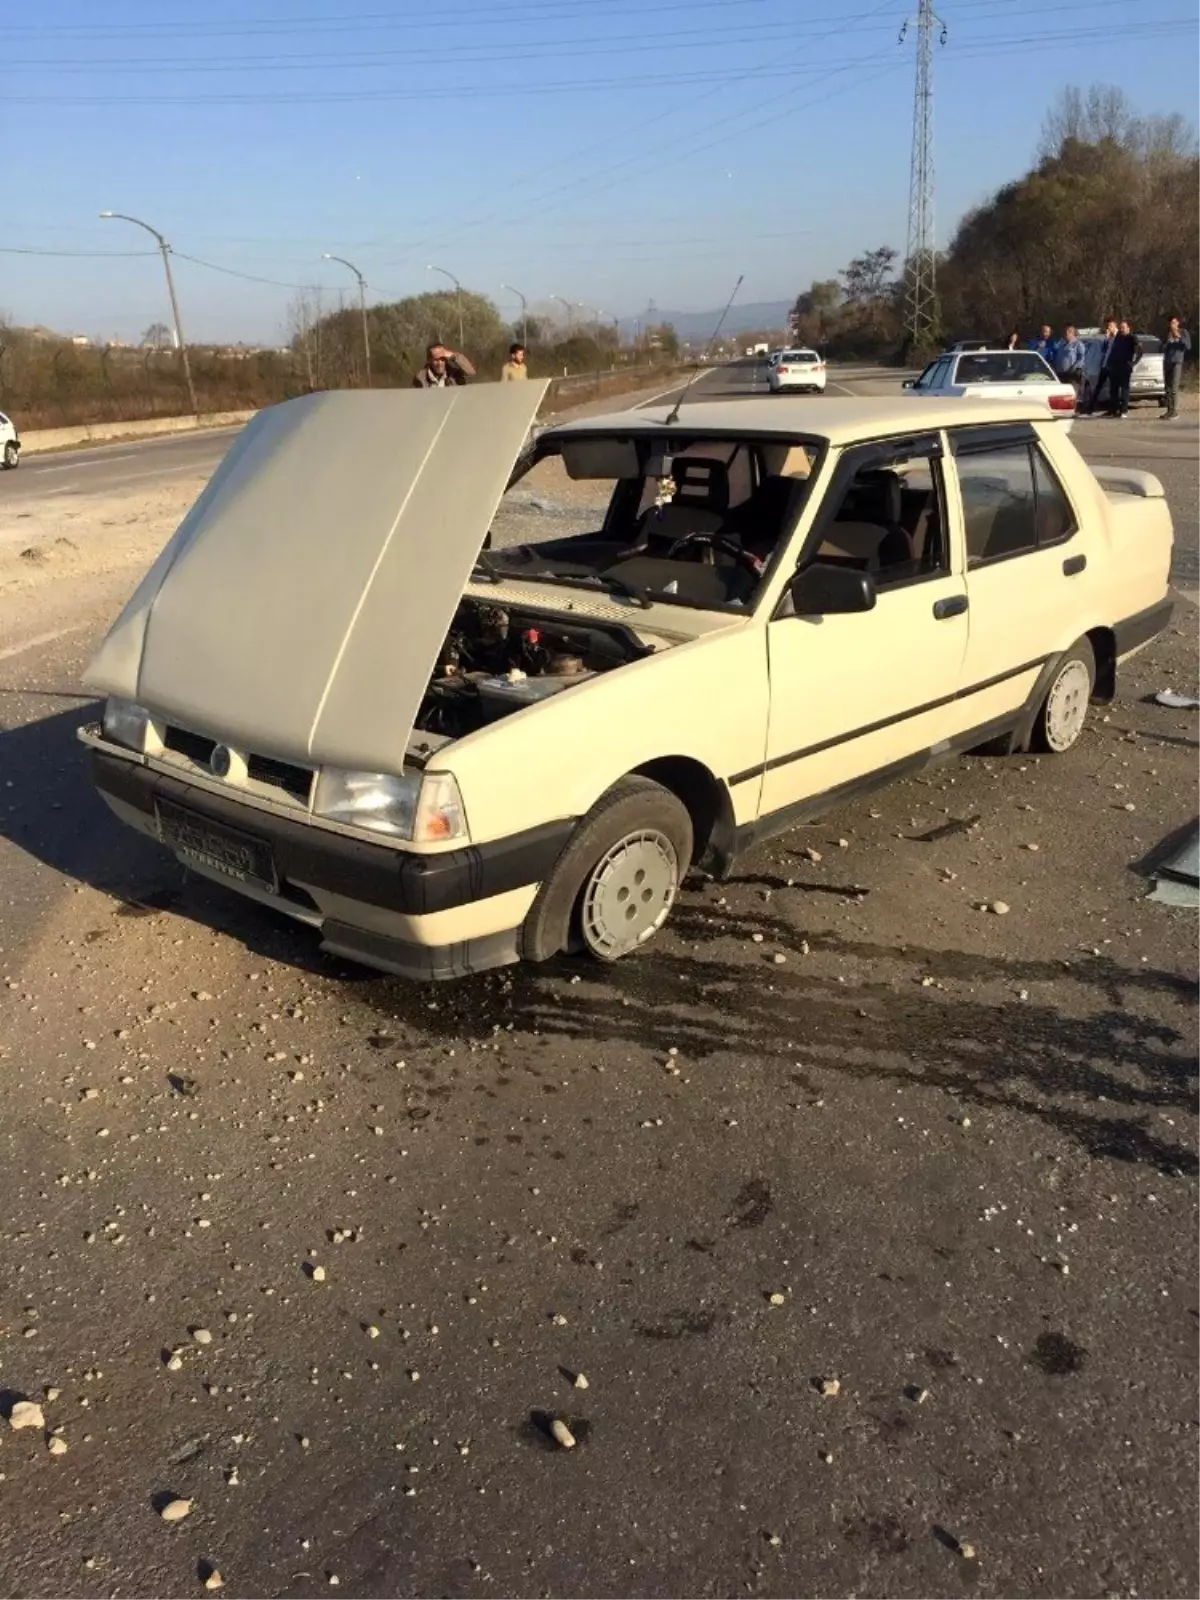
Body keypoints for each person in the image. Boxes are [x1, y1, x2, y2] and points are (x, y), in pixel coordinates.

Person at [1106, 320, 1141, 418]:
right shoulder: (1118, 337)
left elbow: (1140, 351)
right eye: (1121, 327)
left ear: (1128, 328)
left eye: (1124, 327)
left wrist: (1133, 363)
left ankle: (1124, 410)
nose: (1122, 329)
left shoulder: (1132, 338)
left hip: (1125, 367)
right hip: (1115, 366)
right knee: (1113, 389)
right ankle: (1114, 410)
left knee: (1124, 389)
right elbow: (1113, 350)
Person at [1085, 319, 1119, 415]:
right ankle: (1090, 408)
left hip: (1113, 366)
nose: (1109, 328)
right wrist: (1107, 339)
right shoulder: (1109, 337)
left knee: (1113, 388)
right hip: (1105, 365)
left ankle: (1113, 409)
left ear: (1115, 326)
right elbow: (1104, 351)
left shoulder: (1118, 337)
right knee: (1098, 387)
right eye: (1108, 326)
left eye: (1111, 326)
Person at [1162, 316, 1192, 420]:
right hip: (1167, 362)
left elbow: (1188, 346)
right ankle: (1169, 410)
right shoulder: (1167, 333)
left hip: (1177, 362)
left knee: (1174, 388)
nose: (1172, 325)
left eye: (1174, 323)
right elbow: (1162, 347)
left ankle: (1174, 411)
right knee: (1167, 388)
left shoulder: (1183, 332)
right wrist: (1166, 344)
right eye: (1171, 323)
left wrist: (1178, 337)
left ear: (1178, 323)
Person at [1053, 324, 1086, 393]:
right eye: (1065, 331)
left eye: (1069, 331)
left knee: (1071, 395)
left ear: (1073, 333)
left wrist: (1074, 367)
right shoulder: (1061, 344)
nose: (1066, 333)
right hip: (1060, 374)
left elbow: (1081, 359)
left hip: (1072, 375)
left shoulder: (1078, 344)